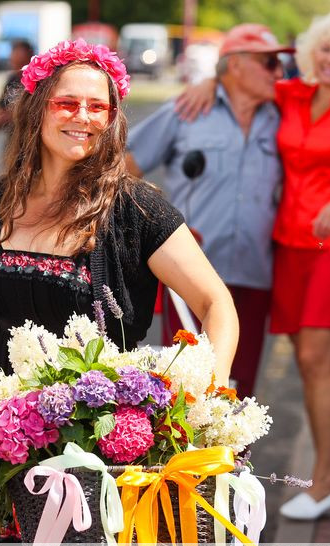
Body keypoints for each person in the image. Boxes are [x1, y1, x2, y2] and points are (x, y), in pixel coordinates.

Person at [178, 11, 330, 520]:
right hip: (290, 247)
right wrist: (213, 76)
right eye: (326, 49)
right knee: (309, 361)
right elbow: (244, 79)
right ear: (312, 51)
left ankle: (323, 483)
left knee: (314, 363)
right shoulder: (294, 95)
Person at [0, 39, 239, 391]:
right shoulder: (1, 197)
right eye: (67, 103)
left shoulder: (137, 211)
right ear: (37, 109)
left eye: (97, 107)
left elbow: (216, 303)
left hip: (95, 427)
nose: (83, 117)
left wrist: (213, 387)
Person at [125, 23, 293, 399]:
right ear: (234, 65)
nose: (280, 73)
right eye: (269, 63)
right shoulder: (187, 108)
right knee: (182, 385)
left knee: (239, 389)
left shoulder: (285, 113)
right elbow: (125, 167)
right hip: (190, 275)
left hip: (253, 272)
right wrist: (146, 230)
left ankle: (230, 459)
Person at [0, 39, 34, 134]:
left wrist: (13, 115)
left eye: (21, 63)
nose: (18, 68)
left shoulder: (38, 81)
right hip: (13, 140)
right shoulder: (11, 80)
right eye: (14, 62)